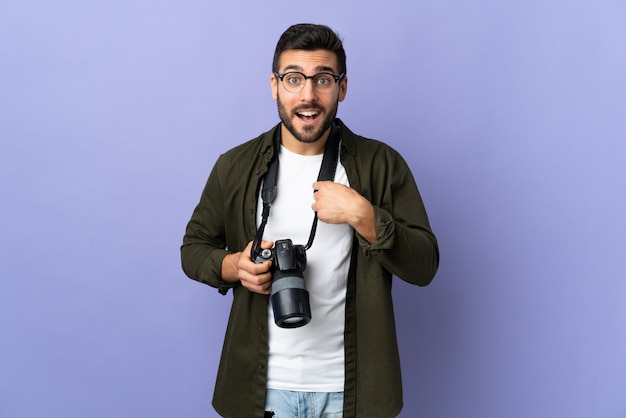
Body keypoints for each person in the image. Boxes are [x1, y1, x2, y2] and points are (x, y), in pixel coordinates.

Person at [181, 23, 439, 418]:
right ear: (274, 85)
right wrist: (235, 266)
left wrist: (364, 215)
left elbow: (425, 266)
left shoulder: (381, 165)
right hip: (261, 391)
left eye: (323, 80)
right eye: (294, 79)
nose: (308, 95)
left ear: (342, 88)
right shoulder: (234, 166)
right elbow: (193, 249)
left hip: (353, 393)